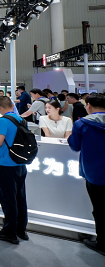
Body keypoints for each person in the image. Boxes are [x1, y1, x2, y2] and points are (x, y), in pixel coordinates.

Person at [68, 93, 105, 256]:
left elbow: (75, 146)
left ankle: (102, 243)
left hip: (94, 173)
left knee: (99, 209)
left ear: (88, 105)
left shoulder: (81, 124)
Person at [0, 96, 29, 245]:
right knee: (20, 197)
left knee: (8, 198)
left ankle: (9, 232)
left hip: (6, 164)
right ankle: (21, 229)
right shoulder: (21, 120)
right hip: (20, 163)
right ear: (13, 105)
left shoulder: (3, 120)